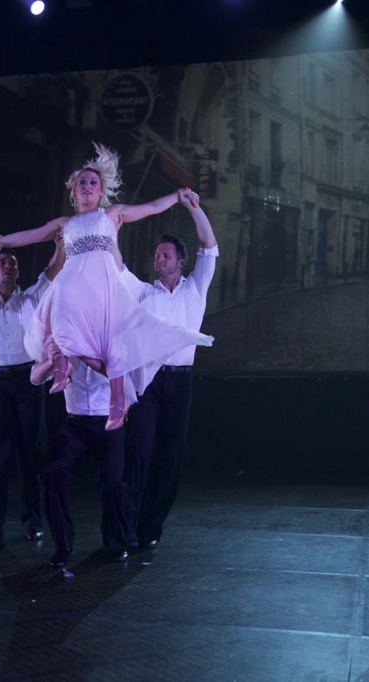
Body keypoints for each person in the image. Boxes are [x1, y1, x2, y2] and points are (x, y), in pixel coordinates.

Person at [0, 142, 213, 431]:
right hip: (72, 286)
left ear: (101, 190)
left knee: (112, 345)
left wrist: (177, 196)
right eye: (82, 183)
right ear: (74, 192)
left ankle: (118, 400)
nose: (87, 186)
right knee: (61, 318)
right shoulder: (66, 223)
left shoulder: (112, 215)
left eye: (93, 182)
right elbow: (31, 235)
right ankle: (62, 364)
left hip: (102, 288)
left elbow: (151, 208)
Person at [120, 190, 217, 551]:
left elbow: (210, 246)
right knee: (140, 453)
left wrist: (193, 207)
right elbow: (117, 268)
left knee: (170, 456)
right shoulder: (144, 293)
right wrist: (108, 227)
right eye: (157, 255)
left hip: (181, 381)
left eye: (165, 255)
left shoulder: (196, 289)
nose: (158, 259)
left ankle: (151, 526)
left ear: (181, 261)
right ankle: (127, 526)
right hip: (149, 381)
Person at [0, 239, 64, 550]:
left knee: (32, 452)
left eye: (13, 264)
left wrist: (60, 244)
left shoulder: (31, 298)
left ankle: (33, 521)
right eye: (2, 263)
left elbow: (52, 272)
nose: (7, 266)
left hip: (29, 380)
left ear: (18, 273)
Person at [31, 340, 131, 567]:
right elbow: (35, 377)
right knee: (53, 473)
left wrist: (84, 355)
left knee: (113, 481)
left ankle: (116, 544)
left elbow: (120, 374)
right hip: (75, 423)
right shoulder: (63, 339)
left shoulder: (110, 339)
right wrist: (50, 359)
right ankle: (63, 546)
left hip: (108, 420)